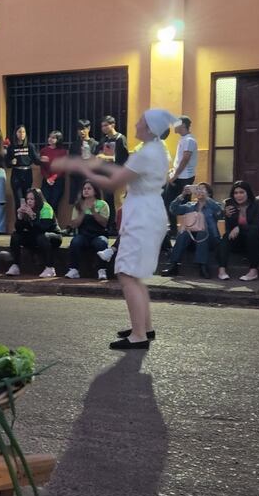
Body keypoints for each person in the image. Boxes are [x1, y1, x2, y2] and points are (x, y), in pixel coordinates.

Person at [55, 109, 177, 349]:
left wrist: (84, 169)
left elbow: (113, 182)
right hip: (148, 212)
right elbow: (123, 174)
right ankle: (145, 328)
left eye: (141, 121)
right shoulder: (157, 149)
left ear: (150, 128)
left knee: (127, 273)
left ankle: (139, 335)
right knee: (135, 274)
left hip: (143, 215)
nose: (136, 123)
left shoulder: (147, 152)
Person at [161, 182, 222, 279]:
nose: (199, 191)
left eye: (203, 189)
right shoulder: (189, 206)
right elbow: (173, 209)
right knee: (184, 233)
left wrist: (206, 199)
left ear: (209, 193)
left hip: (210, 240)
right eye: (197, 189)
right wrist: (183, 194)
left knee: (202, 233)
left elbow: (220, 213)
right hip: (191, 240)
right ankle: (173, 265)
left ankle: (203, 267)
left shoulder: (213, 205)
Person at [217, 180, 259, 281]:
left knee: (252, 233)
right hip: (240, 242)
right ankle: (222, 270)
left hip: (257, 241)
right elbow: (229, 230)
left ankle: (253, 271)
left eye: (242, 192)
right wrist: (227, 216)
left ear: (248, 193)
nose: (238, 195)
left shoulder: (256, 204)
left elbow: (257, 225)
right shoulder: (230, 205)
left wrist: (239, 227)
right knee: (225, 236)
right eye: (236, 193)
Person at [5, 188, 61, 278]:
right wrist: (20, 217)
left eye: (32, 199)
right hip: (35, 236)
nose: (29, 201)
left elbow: (44, 228)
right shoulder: (27, 208)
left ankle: (50, 268)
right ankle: (15, 266)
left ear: (38, 199)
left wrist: (32, 216)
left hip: (52, 236)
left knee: (42, 237)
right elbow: (19, 229)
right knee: (15, 236)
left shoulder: (46, 208)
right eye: (28, 199)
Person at [64, 180, 111, 281]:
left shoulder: (102, 204)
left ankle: (101, 270)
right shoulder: (78, 205)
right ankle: (74, 269)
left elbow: (104, 223)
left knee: (101, 243)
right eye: (84, 189)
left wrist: (94, 211)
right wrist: (83, 212)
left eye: (89, 188)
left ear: (95, 191)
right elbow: (74, 224)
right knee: (75, 242)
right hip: (84, 235)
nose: (86, 191)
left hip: (98, 234)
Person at [164, 115, 197, 237]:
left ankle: (187, 231)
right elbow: (179, 160)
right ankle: (173, 229)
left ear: (183, 125)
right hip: (178, 175)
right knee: (168, 202)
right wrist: (173, 171)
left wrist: (175, 176)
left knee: (186, 206)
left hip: (185, 178)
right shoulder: (183, 139)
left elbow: (185, 159)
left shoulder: (189, 140)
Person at [96, 115, 129, 234]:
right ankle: (110, 226)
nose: (104, 128)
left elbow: (124, 158)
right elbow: (97, 152)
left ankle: (121, 226)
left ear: (113, 125)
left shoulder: (120, 138)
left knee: (119, 201)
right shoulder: (104, 140)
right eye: (102, 126)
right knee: (108, 200)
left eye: (106, 125)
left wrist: (107, 158)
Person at [5, 124, 42, 213]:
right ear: (16, 134)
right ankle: (19, 224)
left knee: (27, 200)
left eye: (23, 132)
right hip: (16, 174)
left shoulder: (30, 146)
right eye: (19, 132)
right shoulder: (12, 147)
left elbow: (36, 160)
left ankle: (27, 223)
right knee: (19, 200)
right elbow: (7, 163)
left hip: (27, 173)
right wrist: (11, 162)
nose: (21, 134)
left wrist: (43, 160)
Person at [68, 119, 99, 204]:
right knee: (77, 203)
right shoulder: (74, 145)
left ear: (88, 129)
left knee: (90, 203)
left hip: (89, 179)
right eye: (79, 129)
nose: (81, 131)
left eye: (83, 129)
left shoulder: (95, 144)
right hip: (76, 178)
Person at [39, 130, 68, 216]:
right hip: (46, 181)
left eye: (53, 138)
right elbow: (42, 167)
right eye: (49, 137)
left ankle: (54, 226)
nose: (50, 139)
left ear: (58, 140)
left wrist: (53, 178)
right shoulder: (44, 150)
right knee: (45, 203)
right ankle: (44, 224)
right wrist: (47, 178)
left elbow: (63, 168)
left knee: (54, 203)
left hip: (58, 181)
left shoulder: (63, 152)